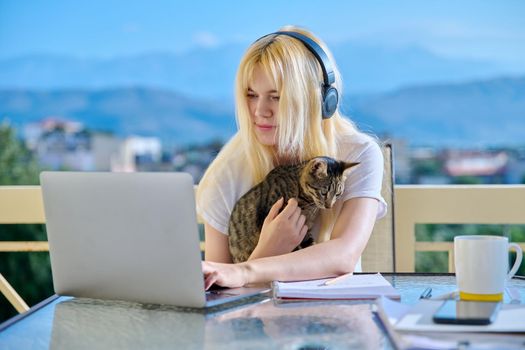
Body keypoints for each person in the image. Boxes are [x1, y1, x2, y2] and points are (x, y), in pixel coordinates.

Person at [196, 26, 387, 290]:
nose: (260, 111)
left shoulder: (357, 154)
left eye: (276, 97)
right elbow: (216, 289)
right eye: (251, 95)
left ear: (318, 101)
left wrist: (247, 270)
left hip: (336, 320)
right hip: (254, 324)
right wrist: (268, 250)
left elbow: (344, 255)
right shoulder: (226, 171)